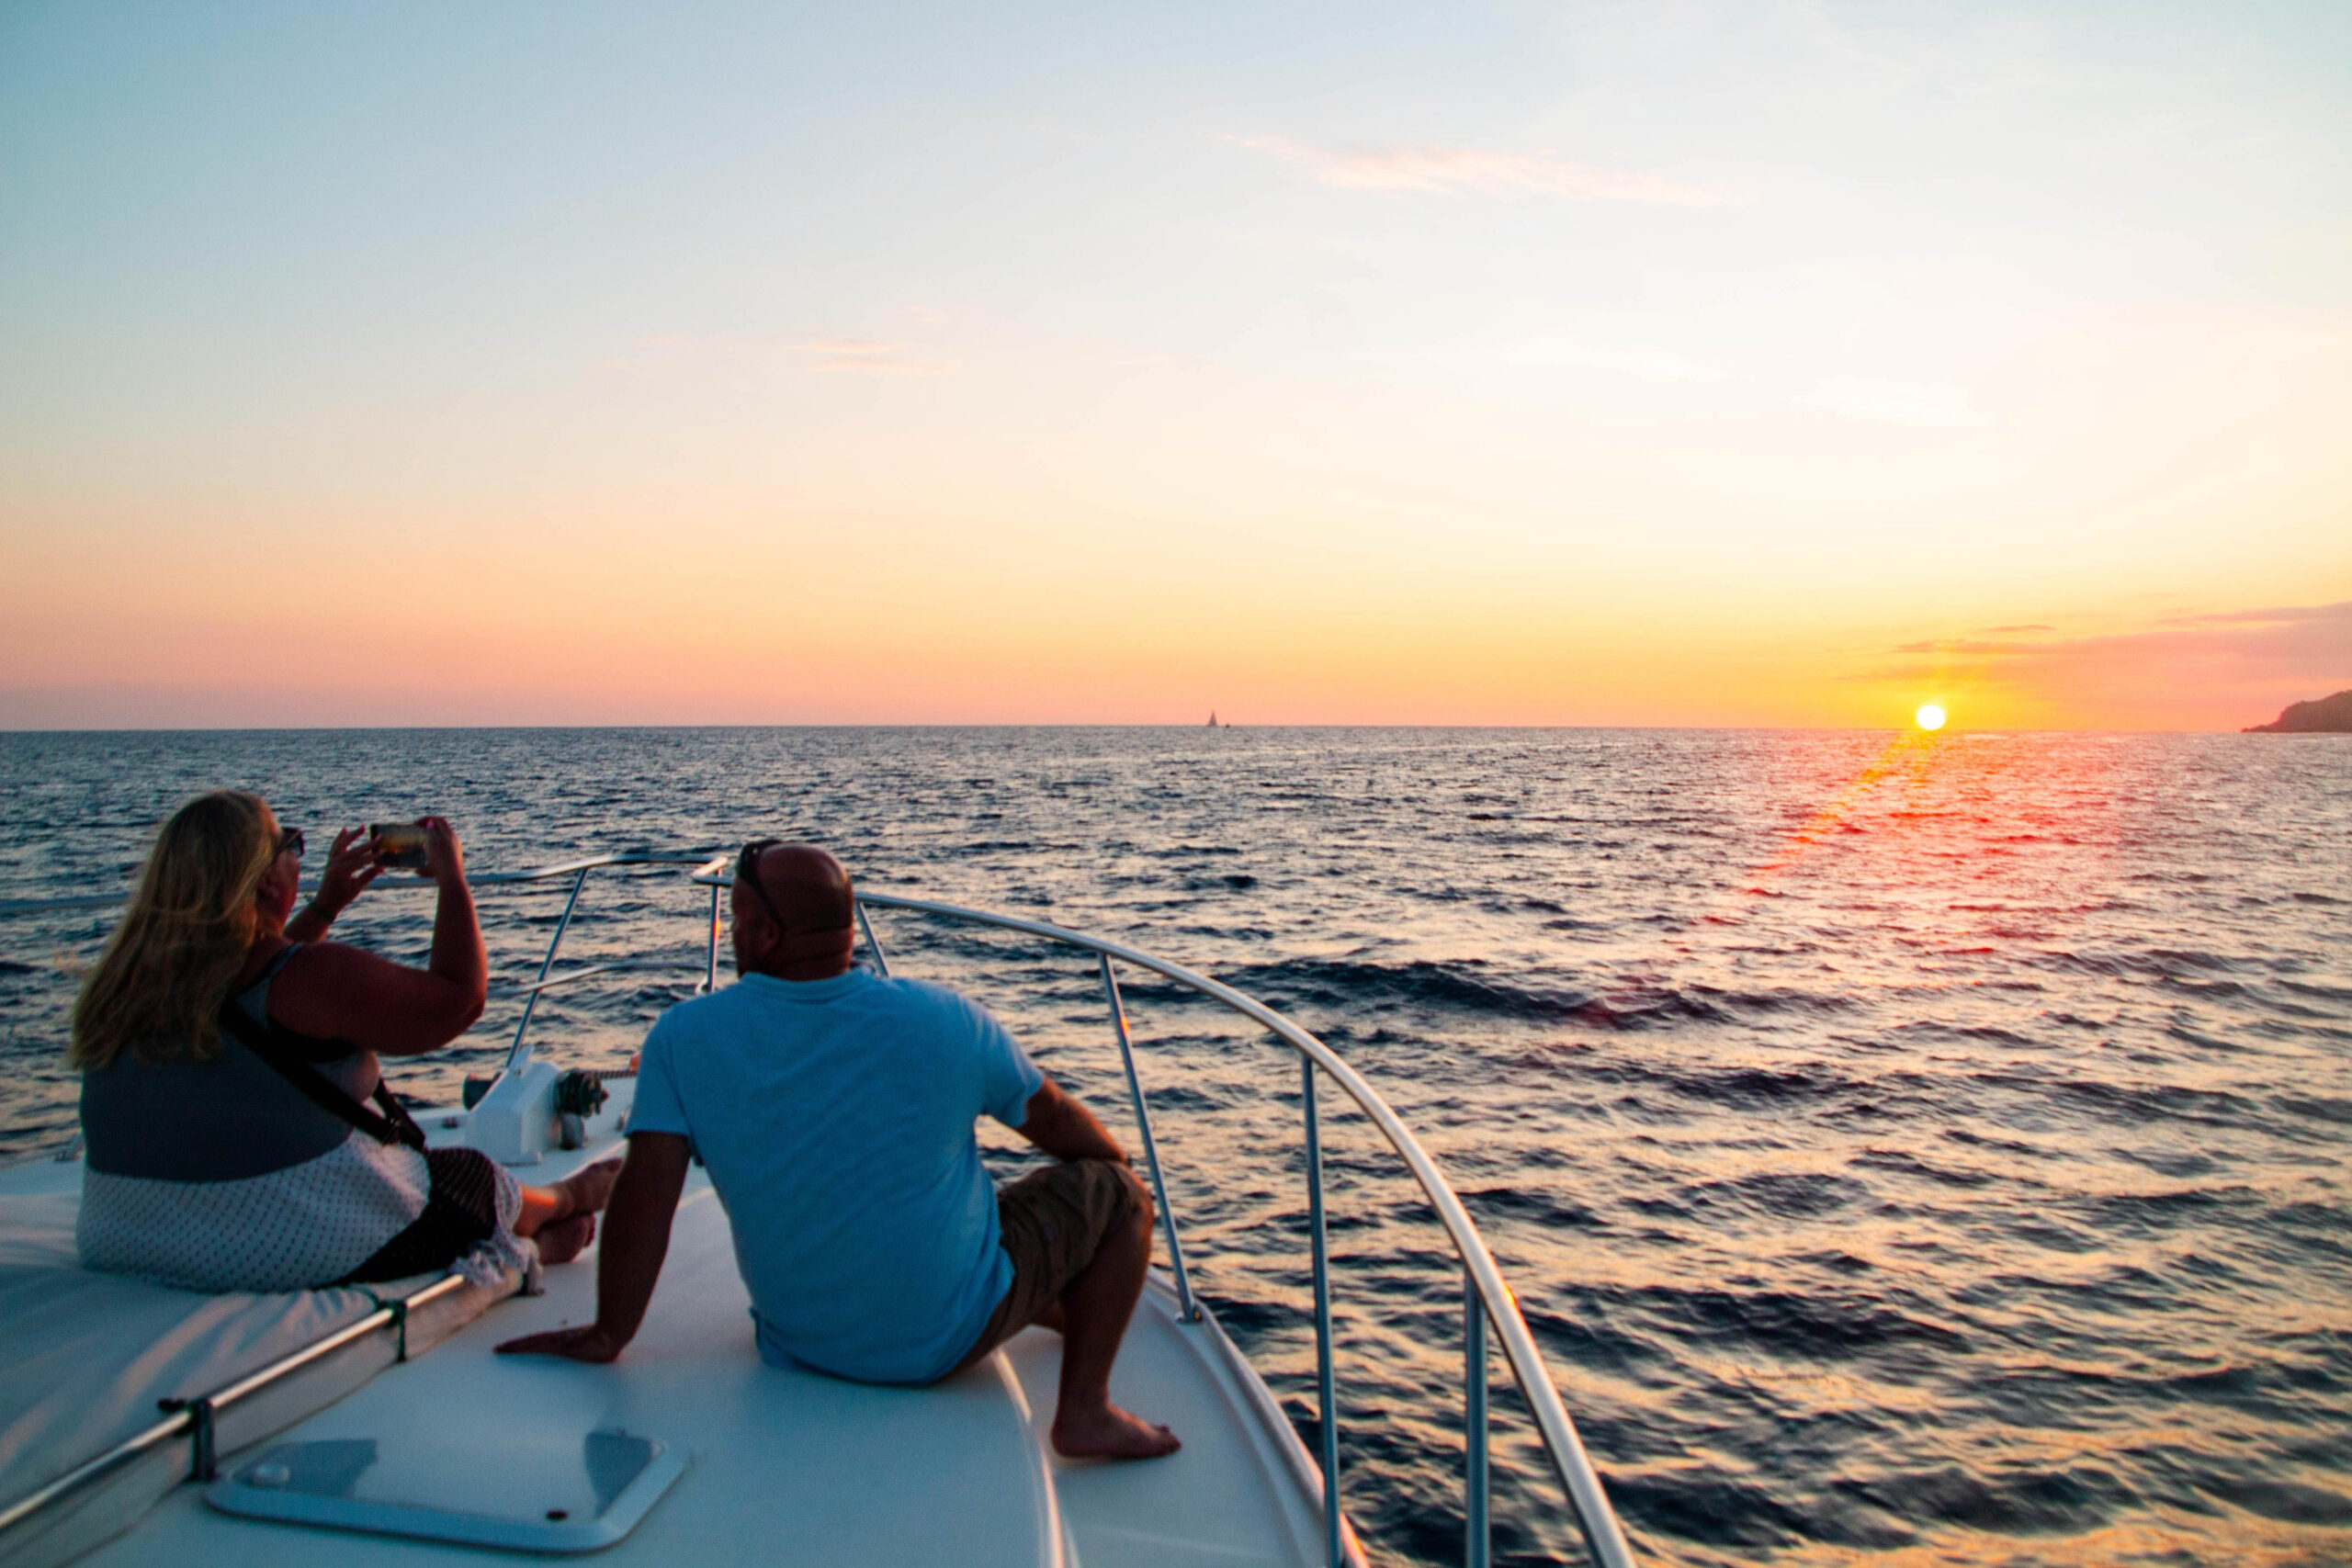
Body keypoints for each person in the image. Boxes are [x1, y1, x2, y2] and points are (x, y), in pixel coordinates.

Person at [498, 841, 1181, 1460]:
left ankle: (1060, 1320)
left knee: (999, 1218)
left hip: (801, 1343)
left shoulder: (684, 1037)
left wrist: (609, 1332)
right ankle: (1085, 1408)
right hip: (940, 1343)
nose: (729, 931)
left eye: (734, 917)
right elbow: (1062, 1125)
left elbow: (646, 1198)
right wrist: (1118, 1181)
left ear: (768, 934)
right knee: (1120, 1196)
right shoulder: (945, 1019)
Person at [72, 789, 618, 1293]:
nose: (299, 854)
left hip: (124, 1236)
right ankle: (562, 1201)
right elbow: (458, 1002)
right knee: (464, 1175)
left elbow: (252, 997)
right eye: (290, 842)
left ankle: (531, 1233)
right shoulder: (314, 977)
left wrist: (327, 906)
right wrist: (452, 876)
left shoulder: (127, 986)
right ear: (263, 882)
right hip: (258, 1250)